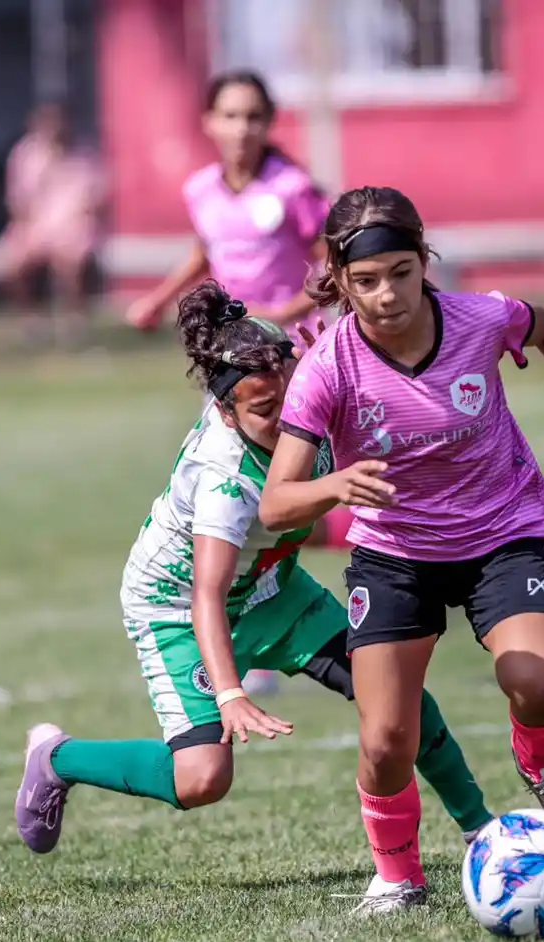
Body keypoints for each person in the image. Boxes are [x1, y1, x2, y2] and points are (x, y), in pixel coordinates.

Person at [15, 281, 495, 900]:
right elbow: (206, 595)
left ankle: (481, 830)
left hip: (272, 585)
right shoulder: (224, 481)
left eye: (293, 392)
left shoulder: (300, 397)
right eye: (265, 409)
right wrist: (232, 691)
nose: (287, 414)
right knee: (203, 778)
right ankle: (58, 759)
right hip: (179, 609)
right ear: (225, 412)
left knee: (393, 694)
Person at [257, 186, 544, 913]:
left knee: (537, 680)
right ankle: (398, 876)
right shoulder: (329, 366)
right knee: (387, 738)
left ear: (424, 260)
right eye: (365, 281)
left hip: (501, 531)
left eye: (401, 271)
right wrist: (336, 483)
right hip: (395, 553)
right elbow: (277, 501)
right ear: (338, 279)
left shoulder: (479, 319)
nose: (387, 293)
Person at [125, 69, 354, 683]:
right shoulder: (201, 188)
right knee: (246, 494)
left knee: (273, 490)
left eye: (253, 116)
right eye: (229, 115)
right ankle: (260, 628)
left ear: (269, 122)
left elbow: (339, 257)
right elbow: (207, 251)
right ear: (208, 123)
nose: (241, 128)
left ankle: (382, 560)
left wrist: (290, 312)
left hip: (289, 362)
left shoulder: (292, 187)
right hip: (231, 369)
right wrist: (158, 298)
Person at [2, 102, 106, 346]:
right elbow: (19, 201)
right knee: (14, 262)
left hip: (75, 225)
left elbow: (95, 199)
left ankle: (75, 322)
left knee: (72, 260)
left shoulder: (85, 155)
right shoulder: (26, 155)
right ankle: (32, 322)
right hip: (35, 225)